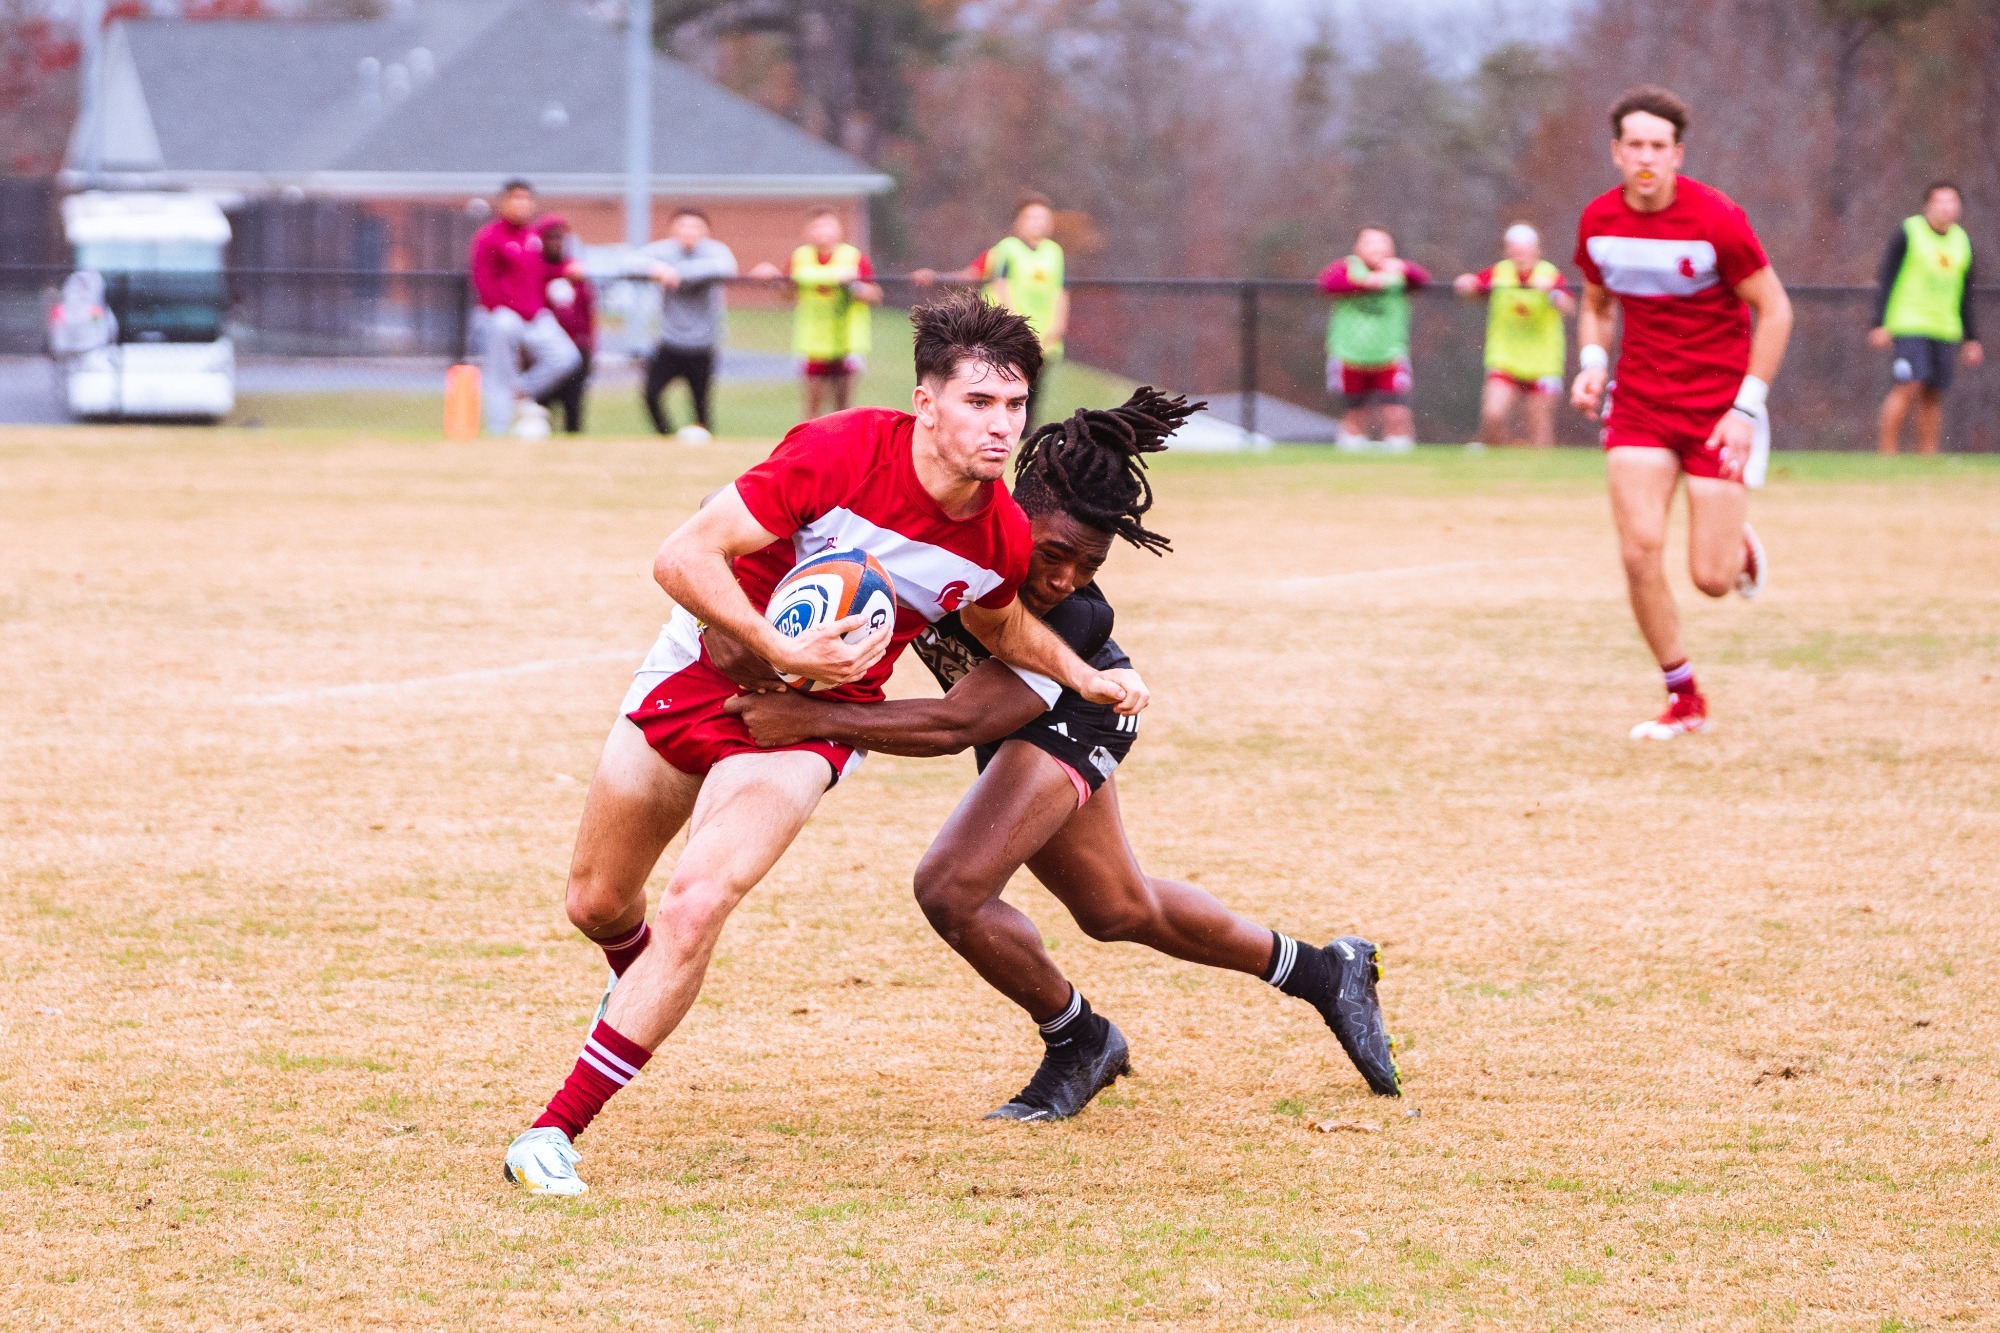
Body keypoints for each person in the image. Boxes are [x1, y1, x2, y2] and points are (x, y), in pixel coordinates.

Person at [501, 291, 1147, 1197]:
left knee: (697, 901)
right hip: (699, 670)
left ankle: (552, 1133)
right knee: (598, 902)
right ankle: (638, 978)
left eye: (1013, 405)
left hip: (810, 723)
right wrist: (771, 642)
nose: (1001, 425)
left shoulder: (1000, 531)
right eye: (977, 402)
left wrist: (1085, 676)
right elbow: (682, 556)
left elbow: (1000, 627)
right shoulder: (840, 450)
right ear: (926, 402)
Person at [724, 388, 1400, 1123]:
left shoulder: (1078, 616)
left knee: (952, 888)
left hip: (1078, 710)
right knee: (1116, 908)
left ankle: (1079, 1039)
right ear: (1015, 515)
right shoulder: (944, 538)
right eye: (1053, 555)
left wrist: (807, 716)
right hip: (1003, 715)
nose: (1063, 580)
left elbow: (958, 722)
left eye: (1089, 564)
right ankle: (1325, 972)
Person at [1570, 86, 1794, 741]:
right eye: (1634, 145)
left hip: (1718, 411)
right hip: (1640, 406)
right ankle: (1684, 696)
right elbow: (1597, 303)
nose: (1646, 157)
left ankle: (1735, 543)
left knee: (1712, 579)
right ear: (1616, 152)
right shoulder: (1598, 221)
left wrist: (1746, 408)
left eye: (1658, 146)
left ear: (1677, 155)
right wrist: (1592, 361)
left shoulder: (1717, 219)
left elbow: (1776, 310)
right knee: (1639, 552)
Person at [914, 194, 1070, 425]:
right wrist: (1018, 326)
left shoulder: (1054, 253)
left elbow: (1061, 290)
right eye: (1031, 217)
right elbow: (988, 280)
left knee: (1032, 389)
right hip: (1011, 333)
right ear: (1018, 221)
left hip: (1044, 336)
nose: (1037, 223)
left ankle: (1023, 434)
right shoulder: (1005, 250)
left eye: (1043, 218)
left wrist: (1057, 324)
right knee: (1003, 385)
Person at [1869, 181, 1983, 456]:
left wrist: (1972, 338)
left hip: (1945, 327)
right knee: (1908, 385)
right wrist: (1879, 322)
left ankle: (1928, 457)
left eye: (1951, 202)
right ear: (1927, 205)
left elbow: (1966, 293)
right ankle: (1886, 455)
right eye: (1940, 201)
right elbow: (1886, 277)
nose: (1946, 208)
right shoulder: (1909, 232)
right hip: (1910, 323)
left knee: (1933, 392)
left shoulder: (1962, 241)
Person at [468, 179, 582, 439]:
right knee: (499, 371)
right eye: (515, 198)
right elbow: (483, 281)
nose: (521, 204)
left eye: (526, 199)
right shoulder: (489, 237)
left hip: (534, 314)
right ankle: (498, 431)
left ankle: (519, 390)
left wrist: (565, 270)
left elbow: (543, 271)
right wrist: (501, 309)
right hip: (504, 314)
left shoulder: (534, 236)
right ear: (503, 202)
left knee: (566, 357)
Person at [748, 210, 882, 421]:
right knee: (812, 410)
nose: (822, 232)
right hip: (813, 342)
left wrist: (851, 286)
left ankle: (843, 442)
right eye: (817, 227)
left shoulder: (854, 258)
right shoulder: (800, 258)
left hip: (847, 341)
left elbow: (874, 295)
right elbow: (788, 294)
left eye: (828, 226)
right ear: (807, 232)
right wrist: (772, 279)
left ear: (840, 230)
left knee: (844, 410)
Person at [1453, 223, 1575, 448]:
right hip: (1505, 358)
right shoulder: (1499, 273)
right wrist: (1466, 284)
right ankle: (1497, 460)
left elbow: (1569, 307)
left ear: (1536, 250)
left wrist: (1551, 293)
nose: (1520, 254)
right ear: (1507, 250)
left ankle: (1539, 468)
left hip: (1543, 362)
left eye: (1525, 249)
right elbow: (1472, 289)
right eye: (1515, 249)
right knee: (1493, 415)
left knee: (1539, 427)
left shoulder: (1549, 274)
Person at [1319, 227, 1430, 453]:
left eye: (1383, 244)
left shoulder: (1398, 272)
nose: (1378, 249)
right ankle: (1352, 456)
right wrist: (1366, 283)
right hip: (1350, 355)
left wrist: (1403, 268)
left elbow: (1422, 281)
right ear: (1358, 248)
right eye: (1371, 244)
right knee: (1355, 413)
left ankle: (1400, 454)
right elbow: (1328, 284)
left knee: (1396, 412)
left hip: (1389, 354)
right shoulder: (1347, 269)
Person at [640, 207, 738, 442]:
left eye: (695, 227)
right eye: (683, 225)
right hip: (669, 342)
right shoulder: (662, 251)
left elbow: (727, 268)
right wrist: (657, 269)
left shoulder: (716, 251)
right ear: (673, 229)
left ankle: (704, 443)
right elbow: (629, 261)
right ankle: (667, 437)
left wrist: (679, 273)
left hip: (703, 344)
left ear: (706, 231)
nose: (689, 231)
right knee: (651, 393)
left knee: (701, 405)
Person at [534, 217, 594, 435]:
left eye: (560, 238)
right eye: (551, 237)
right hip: (544, 352)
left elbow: (588, 314)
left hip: (576, 349)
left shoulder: (576, 273)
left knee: (573, 410)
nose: (556, 242)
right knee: (541, 412)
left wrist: (589, 347)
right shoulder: (535, 271)